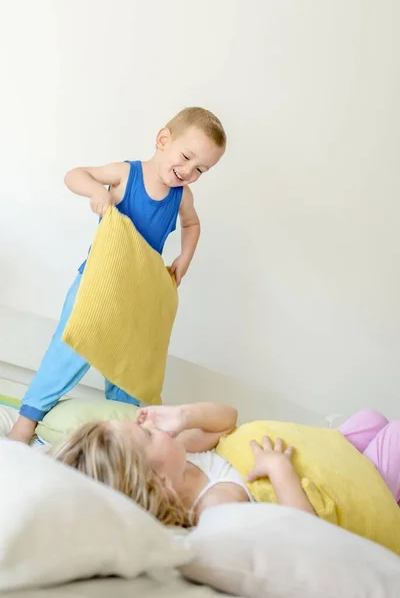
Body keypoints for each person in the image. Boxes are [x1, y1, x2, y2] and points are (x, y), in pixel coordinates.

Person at [9, 108, 226, 445]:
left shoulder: (181, 196)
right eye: (186, 157)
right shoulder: (127, 174)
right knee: (68, 351)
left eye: (200, 169)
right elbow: (75, 174)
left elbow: (192, 224)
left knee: (129, 370)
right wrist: (98, 192)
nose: (188, 171)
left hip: (138, 295)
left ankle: (119, 441)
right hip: (97, 286)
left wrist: (185, 257)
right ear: (162, 140)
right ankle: (25, 424)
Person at [53, 403, 400, 551]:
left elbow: (227, 418)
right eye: (145, 435)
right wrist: (279, 469)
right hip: (348, 490)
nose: (149, 425)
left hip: (329, 456)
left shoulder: (187, 457)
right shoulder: (217, 506)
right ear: (158, 483)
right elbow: (305, 535)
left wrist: (182, 415)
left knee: (370, 419)